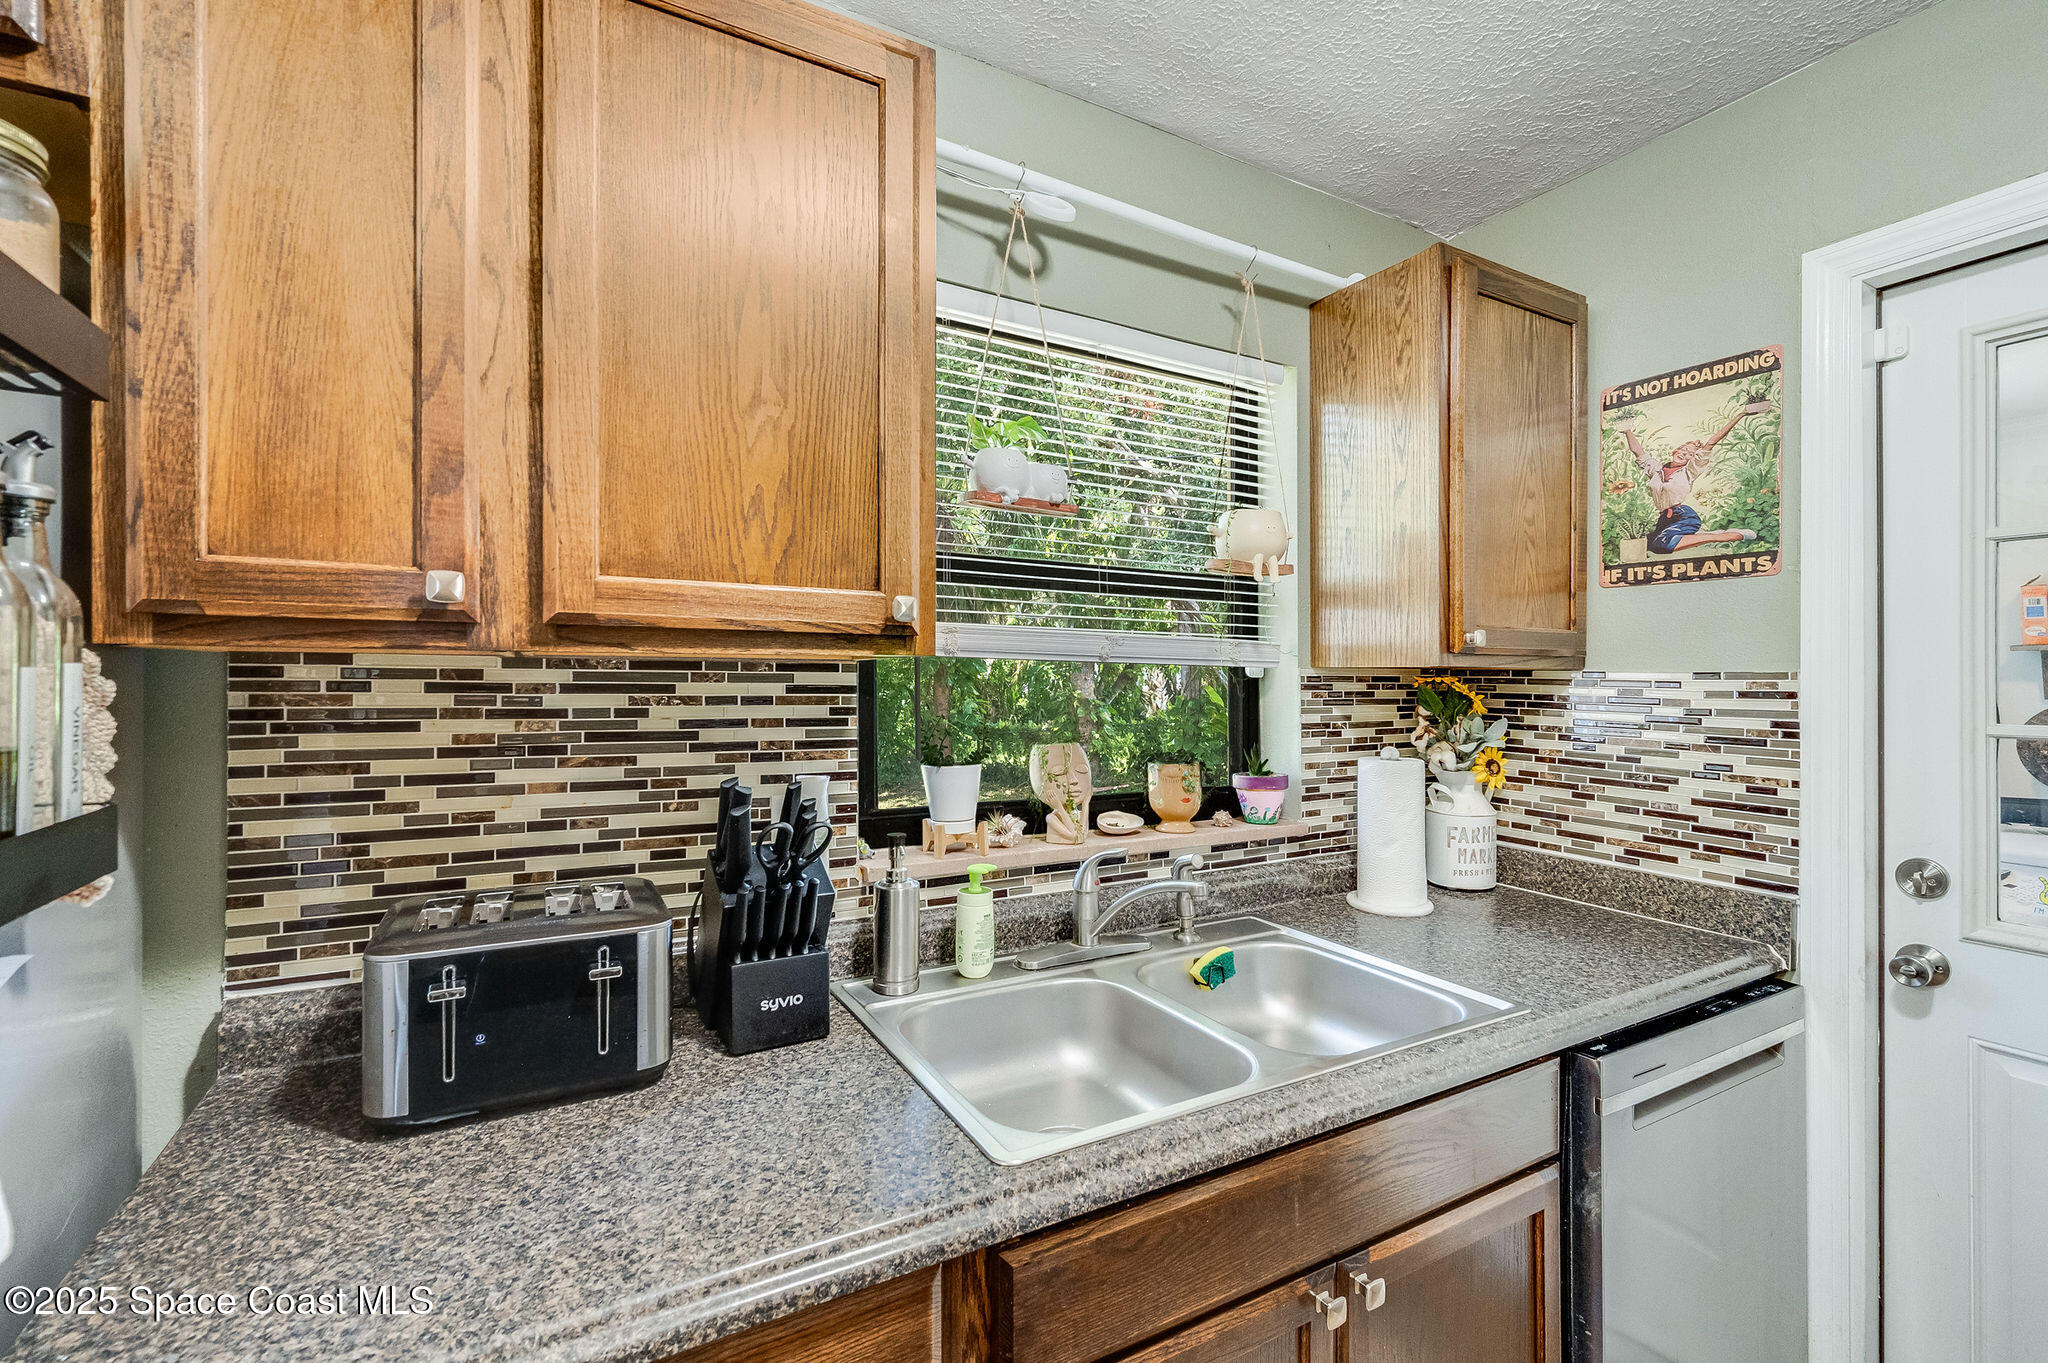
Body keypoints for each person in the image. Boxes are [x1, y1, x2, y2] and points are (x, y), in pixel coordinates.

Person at [1619, 399, 1773, 554]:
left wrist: (1741, 414)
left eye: (1690, 454)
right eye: (1683, 449)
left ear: (1691, 459)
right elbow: (1638, 451)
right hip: (1664, 519)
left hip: (1684, 516)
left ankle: (1725, 536)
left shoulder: (1689, 471)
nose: (1684, 453)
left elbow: (1712, 442)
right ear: (1675, 451)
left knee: (1662, 545)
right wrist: (1627, 430)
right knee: (1649, 545)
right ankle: (1711, 535)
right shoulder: (1656, 470)